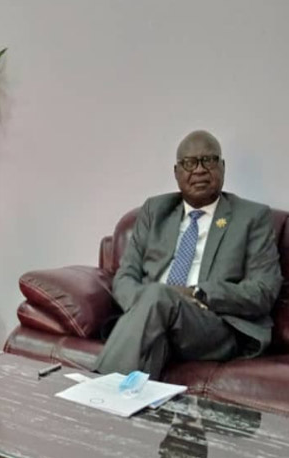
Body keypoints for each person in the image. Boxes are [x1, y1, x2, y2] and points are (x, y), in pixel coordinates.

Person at [94, 130, 281, 380]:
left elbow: (263, 291)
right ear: (176, 172)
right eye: (190, 163)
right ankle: (122, 401)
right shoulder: (154, 211)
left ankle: (97, 390)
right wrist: (146, 307)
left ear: (223, 166)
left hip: (215, 325)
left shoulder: (252, 217)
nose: (200, 170)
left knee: (158, 296)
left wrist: (197, 293)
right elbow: (125, 276)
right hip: (156, 319)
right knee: (155, 326)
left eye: (209, 160)